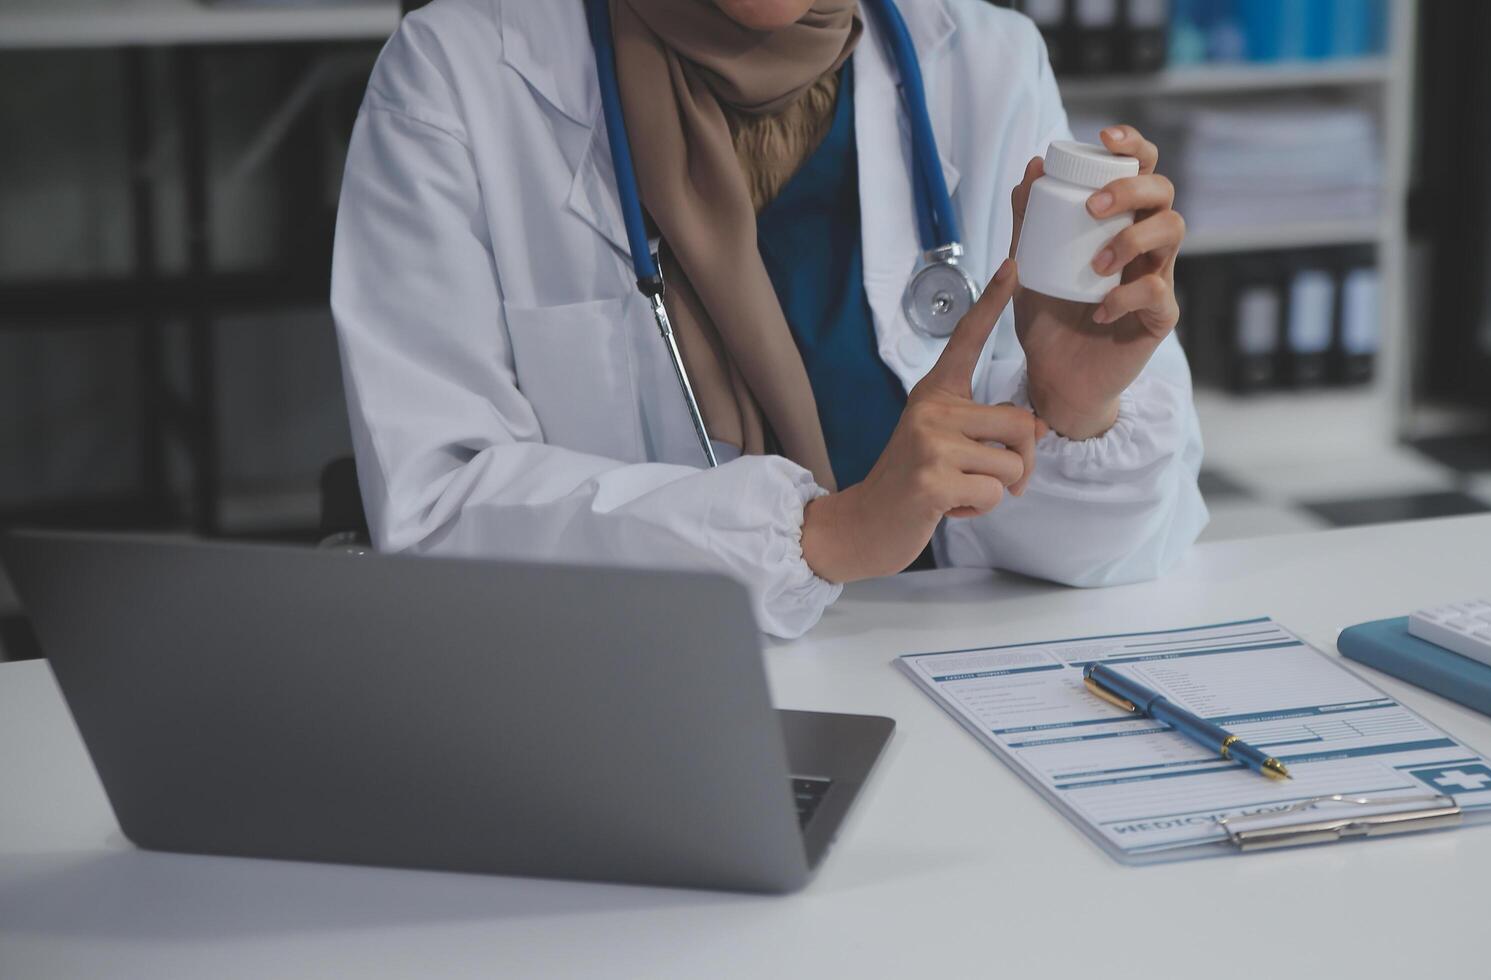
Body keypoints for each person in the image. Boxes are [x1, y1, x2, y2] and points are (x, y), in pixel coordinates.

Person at [330, 0, 1207, 638]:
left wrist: (1069, 408)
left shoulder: (986, 60)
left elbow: (1112, 558)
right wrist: (825, 537)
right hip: (623, 713)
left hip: (941, 695)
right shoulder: (458, 74)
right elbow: (436, 518)